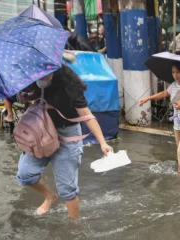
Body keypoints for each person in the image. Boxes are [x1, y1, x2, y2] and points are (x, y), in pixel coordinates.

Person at [16, 65, 113, 219]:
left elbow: (87, 115)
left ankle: (74, 227)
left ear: (53, 70)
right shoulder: (32, 81)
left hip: (67, 135)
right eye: (38, 75)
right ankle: (49, 196)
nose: (41, 77)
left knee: (67, 190)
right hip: (41, 133)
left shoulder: (70, 86)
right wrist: (28, 97)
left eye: (44, 75)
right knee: (25, 174)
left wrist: (103, 142)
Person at [139, 62, 180, 174]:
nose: (175, 75)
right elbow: (163, 94)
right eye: (173, 72)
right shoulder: (173, 85)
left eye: (178, 72)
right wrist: (148, 98)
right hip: (178, 122)